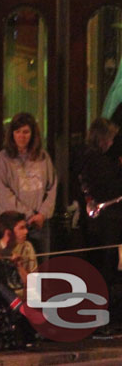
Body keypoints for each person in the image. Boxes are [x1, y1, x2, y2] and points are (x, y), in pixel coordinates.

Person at [0, 112, 57, 255]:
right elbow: (3, 193)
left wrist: (42, 214)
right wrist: (27, 215)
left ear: (33, 134)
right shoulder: (2, 159)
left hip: (40, 224)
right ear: (12, 134)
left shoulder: (43, 157)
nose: (22, 136)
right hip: (13, 224)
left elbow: (52, 188)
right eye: (18, 132)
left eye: (26, 132)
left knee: (40, 270)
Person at [75, 117, 122, 294]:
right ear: (101, 138)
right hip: (103, 223)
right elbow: (109, 188)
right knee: (103, 263)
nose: (111, 142)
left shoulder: (88, 157)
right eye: (109, 138)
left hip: (100, 222)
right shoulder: (96, 160)